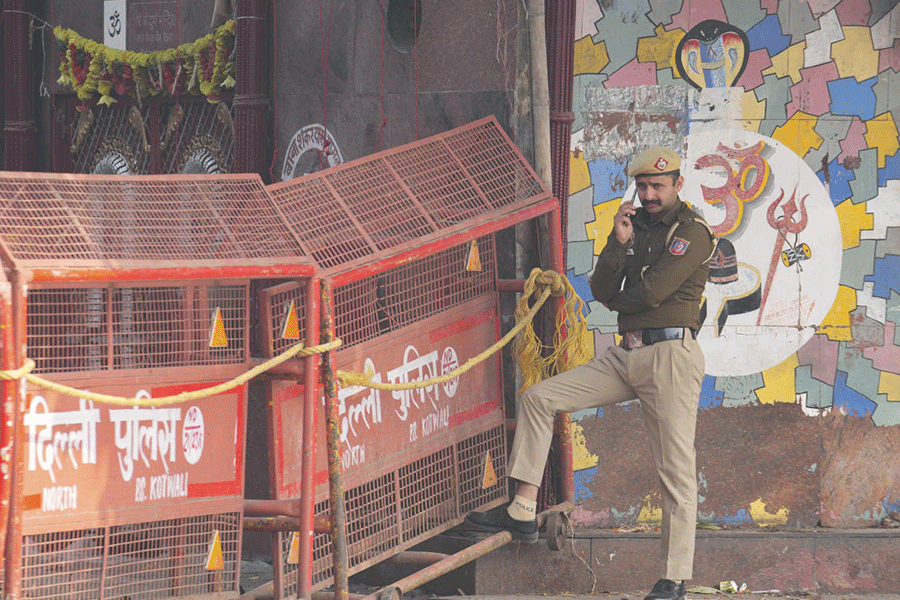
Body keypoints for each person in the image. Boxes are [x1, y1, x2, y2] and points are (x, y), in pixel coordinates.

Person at [465, 146, 716, 600]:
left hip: (670, 356)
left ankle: (674, 579)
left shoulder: (693, 232)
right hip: (628, 354)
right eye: (642, 187)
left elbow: (654, 293)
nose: (649, 194)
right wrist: (618, 241)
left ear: (679, 184)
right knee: (539, 397)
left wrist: (615, 303)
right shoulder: (634, 226)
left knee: (676, 471)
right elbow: (601, 287)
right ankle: (522, 508)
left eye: (658, 186)